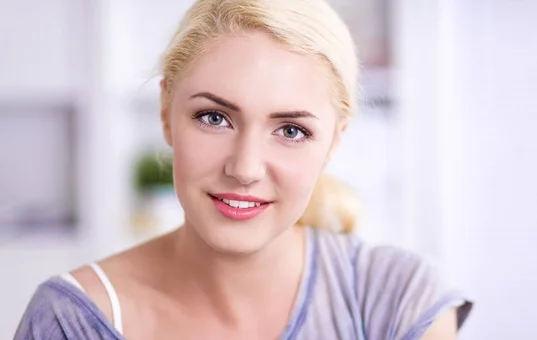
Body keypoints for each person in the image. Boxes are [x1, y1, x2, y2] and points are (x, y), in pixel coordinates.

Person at [15, 0, 472, 339]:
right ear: (165, 111)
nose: (245, 168)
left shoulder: (399, 304)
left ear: (334, 139)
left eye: (291, 130)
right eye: (214, 118)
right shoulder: (71, 320)